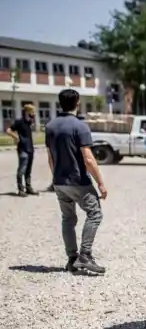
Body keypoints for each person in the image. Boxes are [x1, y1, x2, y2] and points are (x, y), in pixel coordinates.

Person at [44, 89, 108, 275]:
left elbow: (50, 157)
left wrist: (56, 177)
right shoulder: (80, 126)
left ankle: (72, 259)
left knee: (68, 218)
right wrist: (101, 183)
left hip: (59, 181)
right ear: (77, 102)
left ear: (60, 103)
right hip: (78, 180)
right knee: (95, 214)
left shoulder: (50, 126)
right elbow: (88, 158)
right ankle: (85, 255)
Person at [5, 103, 38, 196]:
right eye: (32, 111)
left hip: (30, 148)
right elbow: (8, 130)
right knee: (22, 170)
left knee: (28, 170)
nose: (34, 113)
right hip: (22, 148)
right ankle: (20, 190)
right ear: (27, 112)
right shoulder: (19, 121)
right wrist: (16, 137)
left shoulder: (30, 122)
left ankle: (28, 188)